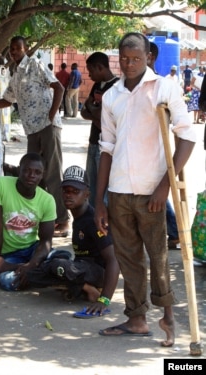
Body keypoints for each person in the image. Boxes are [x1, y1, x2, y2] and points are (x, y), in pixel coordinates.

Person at [95, 32, 196, 346]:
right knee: (129, 259)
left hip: (152, 190)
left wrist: (165, 184)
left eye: (136, 58)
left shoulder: (164, 88)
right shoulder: (112, 96)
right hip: (120, 190)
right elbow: (107, 149)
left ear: (148, 57)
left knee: (158, 257)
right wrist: (99, 200)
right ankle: (136, 319)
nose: (129, 64)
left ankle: (167, 316)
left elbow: (187, 136)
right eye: (124, 59)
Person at [0, 36, 69, 237]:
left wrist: (52, 115)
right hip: (31, 130)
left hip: (47, 127)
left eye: (18, 48)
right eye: (12, 48)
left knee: (51, 173)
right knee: (33, 175)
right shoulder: (15, 74)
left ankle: (63, 221)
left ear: (26, 49)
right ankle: (40, 219)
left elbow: (58, 87)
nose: (14, 51)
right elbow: (7, 101)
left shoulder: (34, 64)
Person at [28, 165, 119, 315]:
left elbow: (113, 259)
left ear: (87, 194)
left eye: (75, 192)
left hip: (96, 272)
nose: (69, 195)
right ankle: (76, 286)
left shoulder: (93, 220)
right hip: (79, 267)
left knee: (59, 265)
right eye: (66, 191)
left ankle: (88, 288)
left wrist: (105, 300)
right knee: (33, 274)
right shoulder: (77, 217)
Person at [0, 153, 57, 290]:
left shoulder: (47, 200)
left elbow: (46, 241)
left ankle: (24, 270)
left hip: (32, 250)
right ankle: (48, 275)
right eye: (27, 170)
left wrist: (30, 265)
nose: (32, 175)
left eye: (37, 172)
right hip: (8, 255)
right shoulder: (0, 185)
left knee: (61, 256)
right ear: (19, 170)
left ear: (42, 175)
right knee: (8, 281)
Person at [148, 43, 180, 250]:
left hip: (155, 150)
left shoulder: (161, 86)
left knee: (158, 193)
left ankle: (175, 231)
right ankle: (174, 231)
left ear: (149, 57)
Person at [81, 52, 119, 207]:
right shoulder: (97, 86)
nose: (89, 75)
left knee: (103, 188)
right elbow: (84, 111)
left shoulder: (116, 87)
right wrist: (96, 114)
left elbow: (108, 119)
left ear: (100, 67)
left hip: (106, 145)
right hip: (93, 141)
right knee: (90, 185)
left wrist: (95, 111)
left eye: (91, 71)